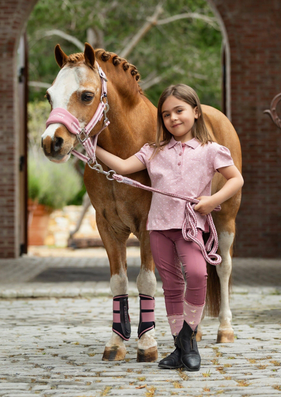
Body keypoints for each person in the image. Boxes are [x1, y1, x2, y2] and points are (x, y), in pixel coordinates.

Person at [95, 84, 244, 372]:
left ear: (196, 112)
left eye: (179, 111)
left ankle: (188, 339)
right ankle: (181, 346)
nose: (173, 118)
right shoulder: (153, 151)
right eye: (166, 114)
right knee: (173, 286)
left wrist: (212, 200)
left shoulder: (211, 150)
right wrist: (94, 148)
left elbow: (236, 179)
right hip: (160, 229)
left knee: (198, 274)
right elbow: (124, 167)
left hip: (190, 228)